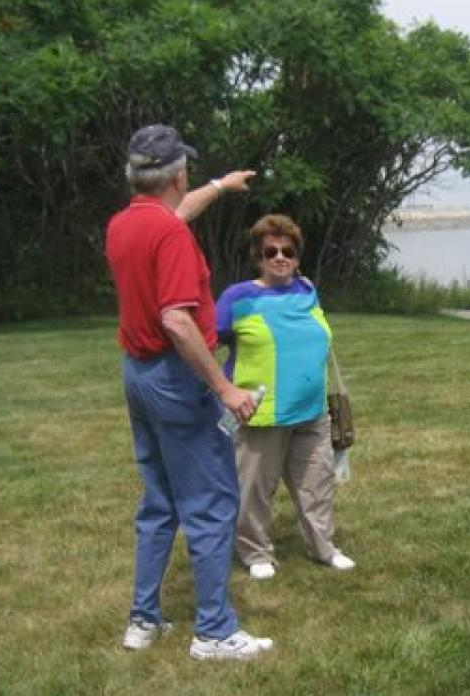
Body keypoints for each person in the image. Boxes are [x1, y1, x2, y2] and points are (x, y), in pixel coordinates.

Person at [105, 123, 273, 661]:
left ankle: (143, 620)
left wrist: (222, 186)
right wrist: (223, 387)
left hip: (137, 374)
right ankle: (215, 631)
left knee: (158, 502)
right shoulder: (170, 235)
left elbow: (179, 211)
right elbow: (177, 321)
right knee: (212, 503)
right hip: (176, 381)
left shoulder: (126, 225)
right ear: (178, 173)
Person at [215, 214, 355, 580]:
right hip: (260, 413)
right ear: (258, 257)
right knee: (255, 488)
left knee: (317, 485)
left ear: (297, 257)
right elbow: (206, 344)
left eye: (287, 251)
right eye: (270, 251)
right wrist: (224, 391)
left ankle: (323, 546)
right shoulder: (238, 298)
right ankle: (254, 551)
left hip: (311, 411)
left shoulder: (307, 290)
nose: (280, 258)